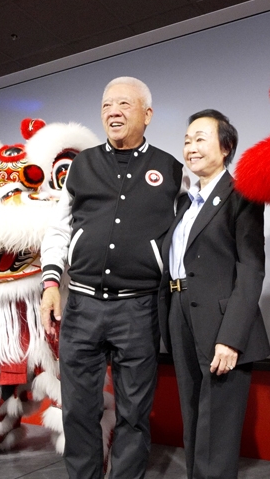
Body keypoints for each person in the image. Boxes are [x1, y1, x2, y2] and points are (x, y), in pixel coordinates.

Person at [40, 77, 184, 479]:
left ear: (147, 114)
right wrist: (51, 283)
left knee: (134, 414)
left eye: (124, 104)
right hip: (82, 306)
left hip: (138, 309)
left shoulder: (172, 170)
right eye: (106, 105)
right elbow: (59, 229)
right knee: (79, 410)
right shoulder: (82, 165)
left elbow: (191, 233)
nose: (113, 112)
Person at [159, 109, 270, 479]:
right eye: (187, 140)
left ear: (226, 147)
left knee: (217, 421)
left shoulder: (241, 195)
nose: (190, 147)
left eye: (200, 138)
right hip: (180, 311)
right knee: (194, 413)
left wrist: (231, 338)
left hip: (222, 321)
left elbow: (251, 268)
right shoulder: (183, 203)